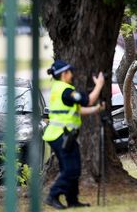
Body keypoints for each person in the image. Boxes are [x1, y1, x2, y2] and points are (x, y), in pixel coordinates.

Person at [43, 60, 105, 209]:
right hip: (61, 136)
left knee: (72, 168)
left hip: (61, 136)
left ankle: (72, 200)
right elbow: (87, 101)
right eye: (70, 71)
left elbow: (76, 110)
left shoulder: (58, 89)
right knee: (71, 169)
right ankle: (52, 195)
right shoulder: (66, 91)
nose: (72, 74)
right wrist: (99, 84)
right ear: (64, 74)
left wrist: (96, 110)